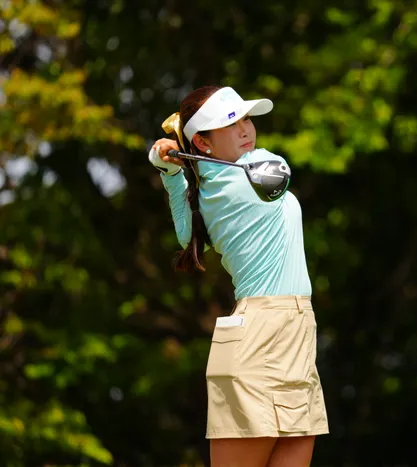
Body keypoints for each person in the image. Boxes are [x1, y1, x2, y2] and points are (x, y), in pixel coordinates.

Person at [147, 85, 329, 467]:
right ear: (203, 142)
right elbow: (278, 169)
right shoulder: (253, 171)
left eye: (246, 119)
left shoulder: (211, 190)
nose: (246, 129)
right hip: (262, 336)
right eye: (231, 123)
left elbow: (185, 231)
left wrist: (170, 169)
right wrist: (173, 164)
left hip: (295, 331)